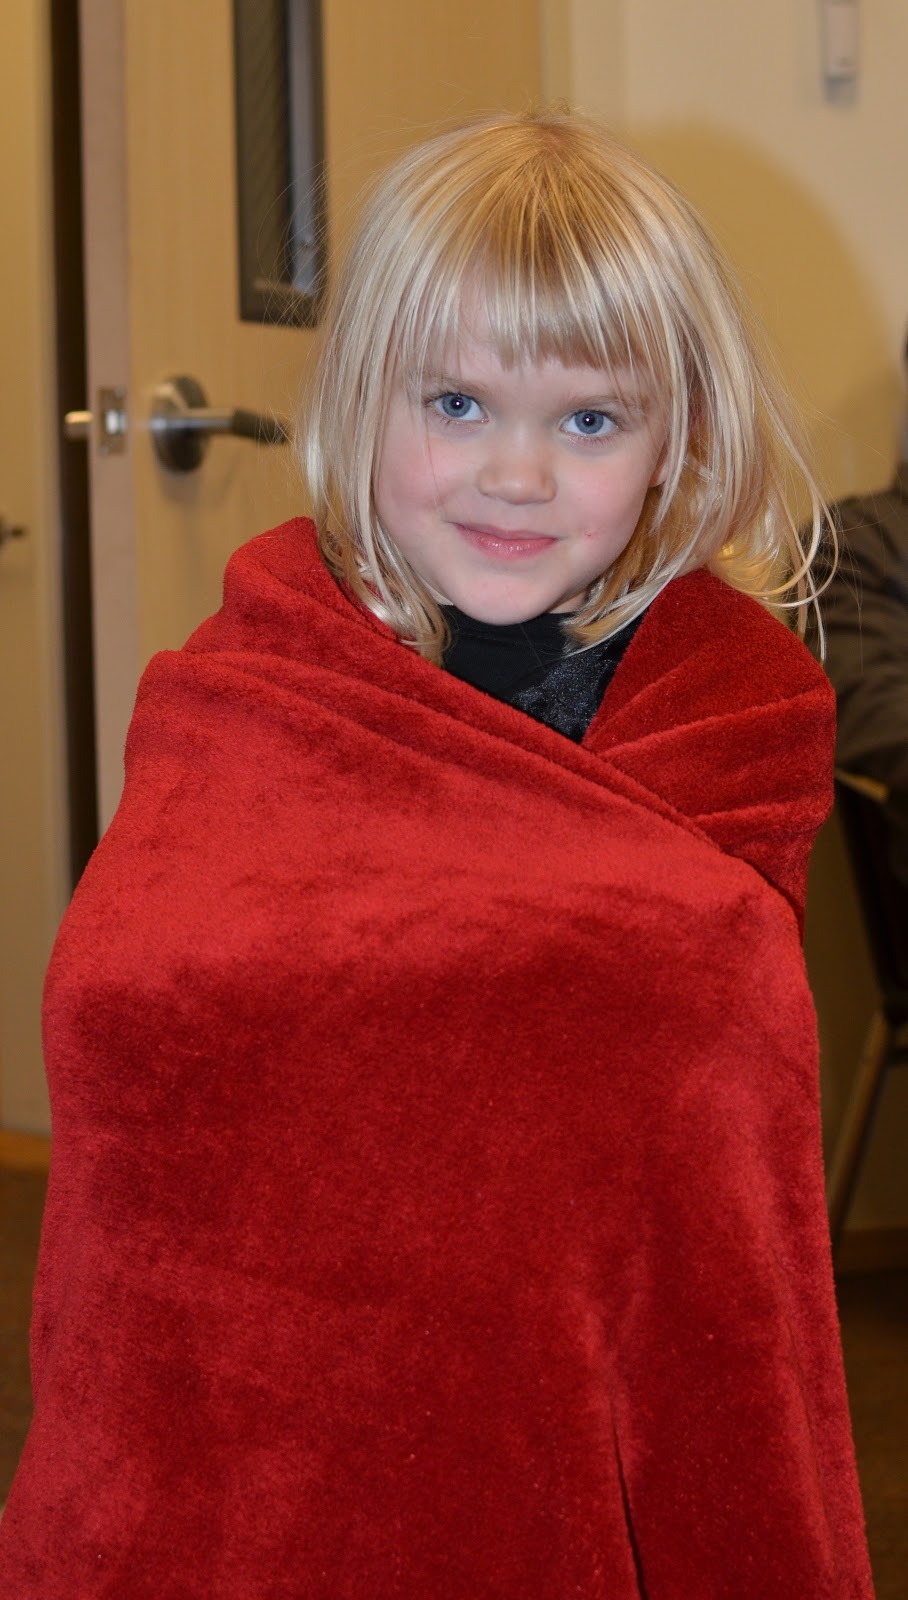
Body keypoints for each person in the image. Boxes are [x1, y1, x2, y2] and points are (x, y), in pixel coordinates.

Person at [0, 111, 873, 1598]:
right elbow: (130, 1019)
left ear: (676, 441)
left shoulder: (728, 729)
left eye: (589, 421)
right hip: (213, 1468)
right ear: (362, 399)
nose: (516, 474)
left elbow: (700, 1136)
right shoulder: (244, 688)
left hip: (534, 1461)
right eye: (457, 403)